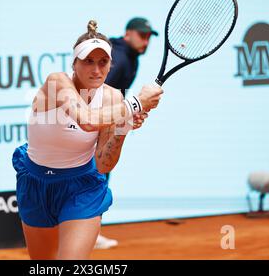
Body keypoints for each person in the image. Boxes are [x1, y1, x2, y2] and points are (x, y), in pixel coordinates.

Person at [12, 20, 163, 260]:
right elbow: (87, 120)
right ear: (74, 63)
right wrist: (134, 105)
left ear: (111, 64)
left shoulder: (113, 97)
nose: (96, 70)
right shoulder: (57, 82)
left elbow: (103, 164)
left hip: (82, 186)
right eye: (88, 61)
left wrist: (123, 124)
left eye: (103, 62)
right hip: (36, 183)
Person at [95, 17, 159, 249]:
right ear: (128, 33)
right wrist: (125, 114)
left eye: (149, 37)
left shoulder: (128, 57)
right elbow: (98, 96)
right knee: (96, 178)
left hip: (103, 125)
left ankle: (88, 230)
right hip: (96, 129)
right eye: (142, 36)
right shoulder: (120, 59)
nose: (146, 41)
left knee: (98, 178)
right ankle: (87, 231)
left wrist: (126, 117)